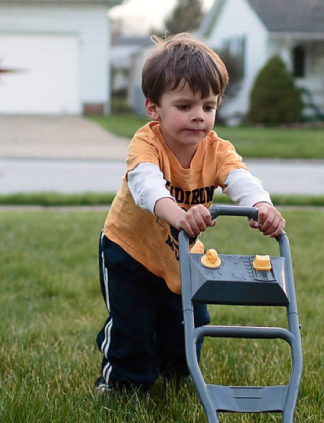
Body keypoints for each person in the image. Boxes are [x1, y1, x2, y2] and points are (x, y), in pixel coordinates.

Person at [95, 33, 285, 393]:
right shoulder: (146, 144)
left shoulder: (217, 150)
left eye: (208, 107)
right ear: (155, 109)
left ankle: (177, 373)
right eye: (184, 107)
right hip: (129, 251)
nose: (198, 117)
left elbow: (241, 179)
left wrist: (262, 206)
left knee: (188, 325)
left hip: (180, 257)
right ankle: (123, 385)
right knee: (132, 326)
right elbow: (147, 187)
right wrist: (179, 216)